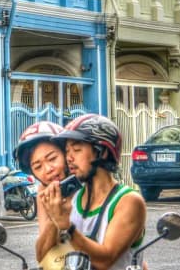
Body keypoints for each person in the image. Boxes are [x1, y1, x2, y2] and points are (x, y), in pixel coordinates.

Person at [39, 114, 147, 270]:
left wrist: (66, 226)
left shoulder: (128, 201)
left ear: (102, 152)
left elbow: (105, 259)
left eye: (76, 149)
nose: (69, 158)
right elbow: (43, 258)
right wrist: (53, 219)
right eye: (67, 151)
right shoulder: (71, 198)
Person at [13, 121, 71, 268]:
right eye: (38, 166)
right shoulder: (44, 193)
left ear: (66, 154)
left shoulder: (87, 183)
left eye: (52, 159)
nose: (47, 169)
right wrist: (54, 218)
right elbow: (42, 255)